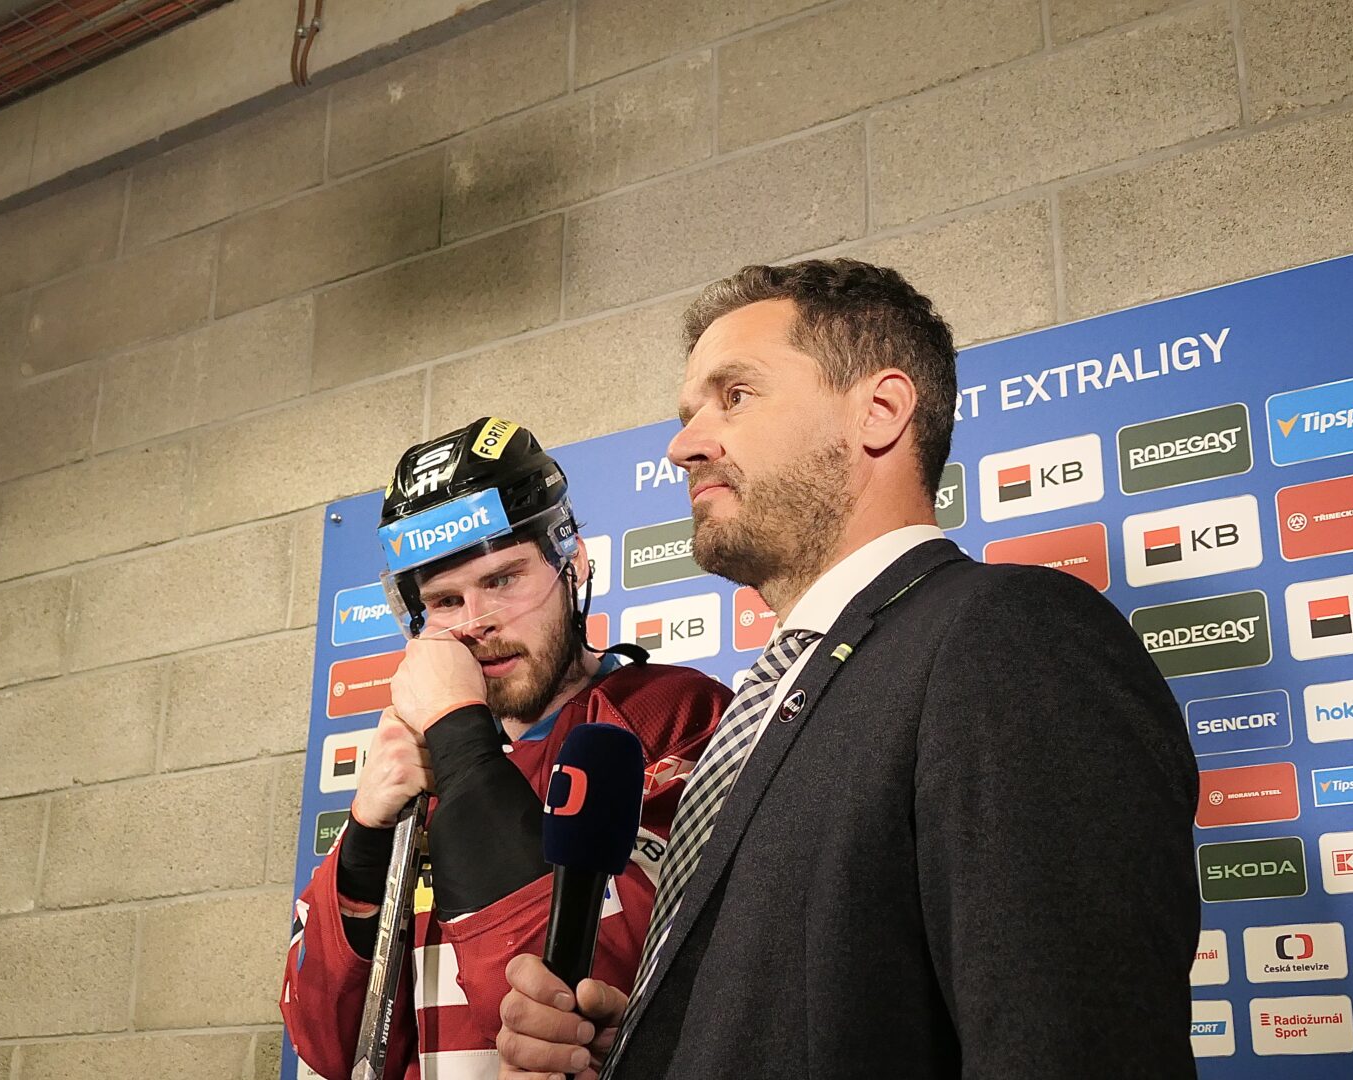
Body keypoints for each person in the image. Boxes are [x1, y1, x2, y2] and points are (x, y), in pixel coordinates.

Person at [494, 262, 1200, 1079]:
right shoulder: (781, 691)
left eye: (735, 396)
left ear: (881, 411)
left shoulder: (1008, 636)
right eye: (688, 415)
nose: (683, 446)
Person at [281, 418, 731, 1080]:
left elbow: (582, 994)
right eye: (445, 600)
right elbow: (329, 1046)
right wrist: (366, 840)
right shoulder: (420, 772)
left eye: (502, 580)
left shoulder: (677, 715)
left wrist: (458, 734)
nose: (476, 623)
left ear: (573, 564)